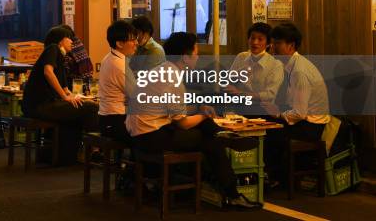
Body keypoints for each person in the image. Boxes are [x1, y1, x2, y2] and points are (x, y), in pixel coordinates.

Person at [125, 32, 261, 209]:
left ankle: (223, 140)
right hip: (151, 137)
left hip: (139, 135)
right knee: (211, 142)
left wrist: (198, 109)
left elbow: (173, 110)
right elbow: (182, 123)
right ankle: (231, 192)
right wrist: (204, 114)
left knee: (206, 132)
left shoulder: (160, 70)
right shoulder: (173, 79)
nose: (197, 56)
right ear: (185, 57)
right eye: (195, 52)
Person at [263, 22, 331, 184]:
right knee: (263, 120)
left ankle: (274, 177)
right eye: (272, 43)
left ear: (291, 46)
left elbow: (300, 113)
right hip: (305, 121)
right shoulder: (291, 65)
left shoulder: (300, 72)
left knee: (267, 132)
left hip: (311, 127)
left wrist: (278, 114)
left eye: (277, 44)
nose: (272, 48)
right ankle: (273, 175)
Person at [22, 26, 98, 164]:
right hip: (39, 105)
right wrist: (65, 97)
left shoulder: (62, 58)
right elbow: (48, 72)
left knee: (85, 106)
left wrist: (76, 97)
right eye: (69, 38)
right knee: (91, 109)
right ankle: (94, 150)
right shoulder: (53, 48)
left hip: (46, 104)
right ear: (61, 40)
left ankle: (70, 155)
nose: (72, 41)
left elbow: (66, 89)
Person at [226, 23, 284, 111]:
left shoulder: (275, 65)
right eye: (252, 38)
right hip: (238, 107)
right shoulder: (241, 57)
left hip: (262, 110)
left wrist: (241, 93)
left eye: (260, 39)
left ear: (268, 43)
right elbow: (229, 81)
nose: (255, 42)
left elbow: (269, 95)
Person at [98, 20, 137, 144]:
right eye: (132, 40)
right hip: (118, 122)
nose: (136, 43)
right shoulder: (119, 64)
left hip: (106, 120)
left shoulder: (108, 57)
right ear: (119, 43)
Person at [58, 24, 94, 88]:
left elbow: (64, 70)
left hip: (76, 84)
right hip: (88, 82)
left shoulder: (68, 47)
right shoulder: (78, 43)